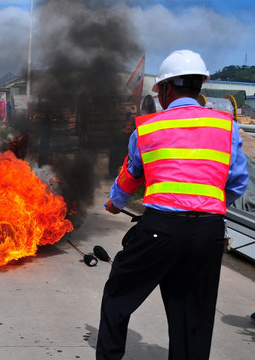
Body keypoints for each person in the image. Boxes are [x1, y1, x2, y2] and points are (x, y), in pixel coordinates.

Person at [96, 49, 249, 360]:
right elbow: (238, 182)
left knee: (118, 295)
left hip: (160, 230)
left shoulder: (149, 127)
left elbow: (131, 175)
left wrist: (114, 203)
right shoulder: (227, 126)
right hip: (208, 232)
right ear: (199, 87)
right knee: (192, 317)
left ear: (165, 89)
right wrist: (206, 205)